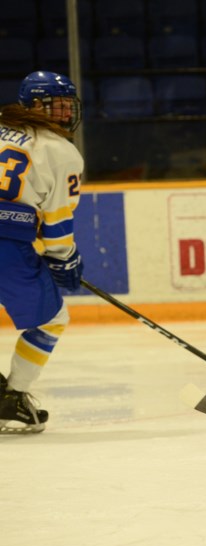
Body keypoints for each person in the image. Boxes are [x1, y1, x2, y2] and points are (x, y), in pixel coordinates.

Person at [0, 71, 85, 433]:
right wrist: (64, 258)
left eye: (68, 105)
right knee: (53, 320)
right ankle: (13, 397)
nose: (65, 113)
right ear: (35, 106)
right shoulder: (61, 152)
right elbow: (56, 222)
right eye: (57, 106)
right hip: (5, 245)